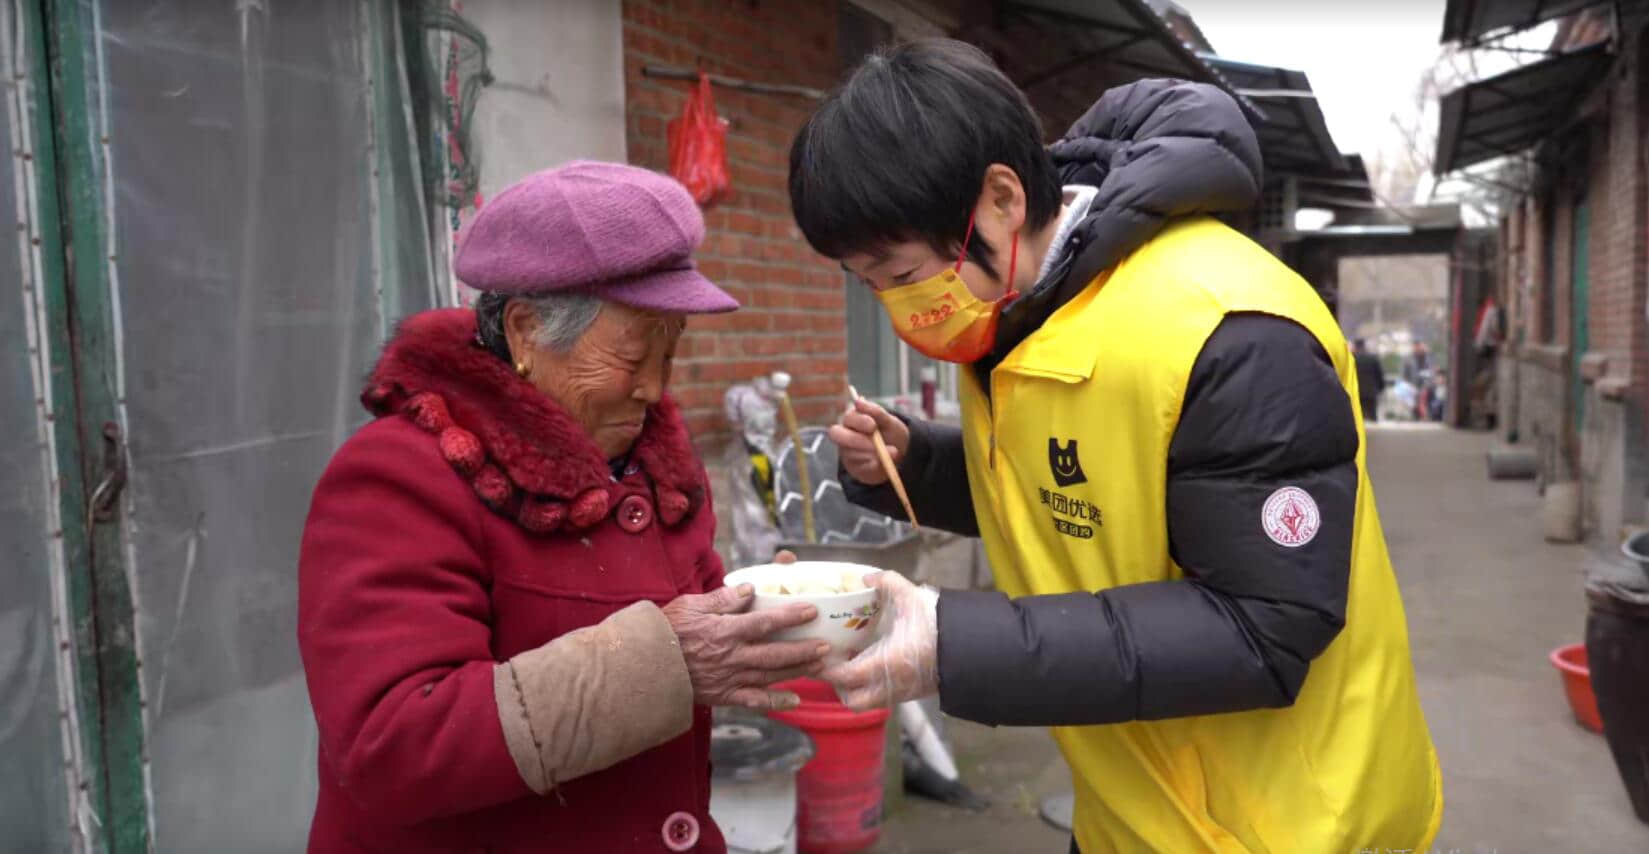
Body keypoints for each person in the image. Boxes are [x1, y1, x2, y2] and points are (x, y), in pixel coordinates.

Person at [787, 40, 1441, 853]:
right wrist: (910, 465)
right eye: (867, 283)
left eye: (900, 270)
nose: (894, 304)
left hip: (1283, 825)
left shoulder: (1225, 328)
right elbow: (1075, 499)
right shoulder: (1018, 316)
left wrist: (948, 642)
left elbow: (1261, 629)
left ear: (999, 198)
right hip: (1131, 806)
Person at [297, 162, 828, 853]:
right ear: (524, 332)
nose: (653, 390)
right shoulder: (400, 477)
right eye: (633, 356)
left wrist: (764, 616)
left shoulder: (651, 467)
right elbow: (392, 742)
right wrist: (668, 661)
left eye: (671, 353)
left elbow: (689, 626)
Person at [1352, 338, 1385, 423]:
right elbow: (1379, 375)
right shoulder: (1372, 358)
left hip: (1356, 392)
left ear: (1355, 347)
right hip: (1371, 392)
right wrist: (1380, 388)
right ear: (1364, 346)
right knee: (1372, 416)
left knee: (1357, 418)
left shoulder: (1352, 359)